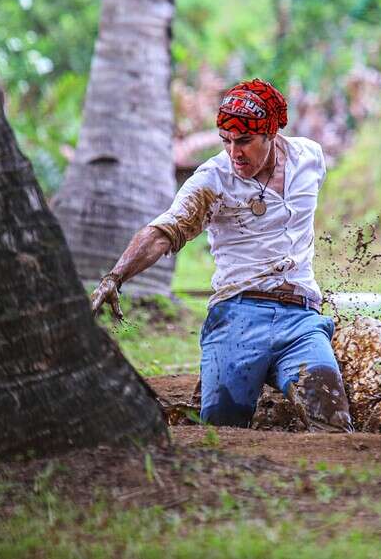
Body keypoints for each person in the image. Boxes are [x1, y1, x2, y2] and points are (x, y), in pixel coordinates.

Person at [91, 78, 352, 431]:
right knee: (220, 431)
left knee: (334, 423)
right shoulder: (212, 180)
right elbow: (162, 231)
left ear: (271, 133)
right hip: (238, 315)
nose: (234, 153)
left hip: (301, 319)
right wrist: (115, 277)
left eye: (244, 141)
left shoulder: (310, 158)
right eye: (226, 141)